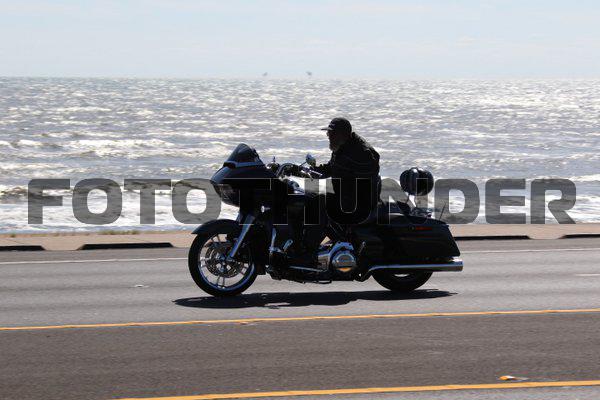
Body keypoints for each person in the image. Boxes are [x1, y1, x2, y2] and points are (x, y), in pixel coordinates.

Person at [287, 117, 381, 265]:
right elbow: (331, 168)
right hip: (346, 195)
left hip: (359, 200)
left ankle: (308, 252)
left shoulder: (362, 152)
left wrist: (344, 185)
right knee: (307, 196)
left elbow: (366, 177)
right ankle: (300, 243)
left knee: (318, 203)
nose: (328, 136)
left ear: (342, 134)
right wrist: (301, 171)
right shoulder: (341, 148)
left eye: (331, 133)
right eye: (328, 133)